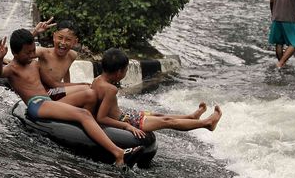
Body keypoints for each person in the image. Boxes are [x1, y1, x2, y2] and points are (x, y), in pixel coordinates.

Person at [0, 29, 141, 167]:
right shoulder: (12, 69)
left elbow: (54, 84)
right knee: (83, 114)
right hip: (37, 105)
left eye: (33, 50)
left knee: (90, 94)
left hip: (48, 102)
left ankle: (92, 126)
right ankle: (118, 153)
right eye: (28, 53)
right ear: (15, 53)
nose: (32, 54)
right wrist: (0, 59)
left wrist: (81, 84)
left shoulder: (35, 64)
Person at [92, 49, 222, 137]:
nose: (125, 74)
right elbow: (101, 118)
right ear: (119, 72)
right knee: (167, 121)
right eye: (126, 71)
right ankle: (207, 123)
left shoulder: (97, 80)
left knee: (158, 114)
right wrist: (127, 127)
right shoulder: (111, 89)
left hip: (127, 116)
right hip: (128, 121)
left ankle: (191, 117)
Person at [36, 19, 92, 100]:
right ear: (54, 37)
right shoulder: (44, 53)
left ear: (75, 42)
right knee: (86, 88)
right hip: (44, 94)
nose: (63, 42)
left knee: (90, 90)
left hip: (57, 91)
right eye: (60, 37)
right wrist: (35, 32)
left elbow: (66, 70)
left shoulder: (72, 55)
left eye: (68, 39)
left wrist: (69, 90)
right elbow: (22, 50)